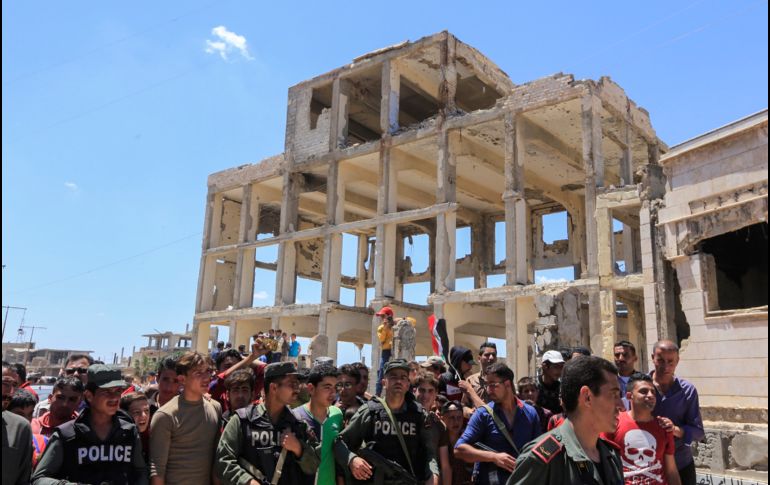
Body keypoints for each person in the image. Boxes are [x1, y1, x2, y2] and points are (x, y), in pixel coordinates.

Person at [507, 355, 624, 485]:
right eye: (614, 395)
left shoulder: (611, 456)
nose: (621, 405)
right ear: (587, 397)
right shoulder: (546, 458)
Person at [31, 364, 148, 485]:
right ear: (89, 395)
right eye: (106, 391)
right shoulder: (67, 434)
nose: (114, 397)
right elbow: (39, 479)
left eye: (118, 391)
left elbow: (140, 472)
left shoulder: (129, 432)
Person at [335, 359, 439, 484]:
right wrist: (352, 459)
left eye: (403, 377)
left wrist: (433, 476)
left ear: (407, 384)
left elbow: (429, 454)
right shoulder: (370, 411)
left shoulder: (418, 414)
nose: (398, 381)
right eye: (393, 377)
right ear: (384, 382)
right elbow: (339, 443)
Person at [216, 362, 320, 484]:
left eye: (297, 383)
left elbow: (314, 466)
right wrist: (248, 481)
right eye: (291, 384)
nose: (296, 389)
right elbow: (223, 461)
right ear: (274, 388)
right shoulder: (242, 420)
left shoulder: (299, 424)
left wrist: (299, 449)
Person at [455, 363, 541, 485]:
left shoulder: (530, 413)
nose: (488, 390)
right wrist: (493, 457)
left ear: (507, 384)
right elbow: (459, 450)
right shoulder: (483, 414)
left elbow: (538, 450)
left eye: (493, 385)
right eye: (486, 385)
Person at [149, 351, 222, 484]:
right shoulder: (165, 415)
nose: (207, 378)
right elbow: (157, 470)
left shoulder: (215, 408)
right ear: (182, 379)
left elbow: (216, 462)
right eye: (198, 373)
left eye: (208, 371)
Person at [602, 373, 681, 485]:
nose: (650, 395)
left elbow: (672, 471)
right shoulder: (613, 423)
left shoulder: (663, 426)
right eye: (643, 391)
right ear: (629, 396)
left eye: (653, 392)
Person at [650, 340, 704, 485]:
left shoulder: (688, 391)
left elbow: (698, 432)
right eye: (660, 360)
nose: (665, 366)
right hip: (648, 466)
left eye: (670, 361)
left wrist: (674, 430)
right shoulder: (641, 388)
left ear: (678, 361)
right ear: (652, 358)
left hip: (681, 463)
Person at [293, 364, 343, 485]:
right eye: (327, 387)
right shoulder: (295, 417)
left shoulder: (337, 415)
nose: (333, 393)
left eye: (335, 388)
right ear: (311, 388)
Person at [414, 372, 451, 484]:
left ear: (436, 394)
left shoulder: (439, 426)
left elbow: (445, 466)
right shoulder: (404, 416)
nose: (425, 395)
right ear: (414, 391)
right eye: (422, 390)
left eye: (430, 391)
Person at [3, 361, 33, 485]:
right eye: (5, 384)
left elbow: (23, 478)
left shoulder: (21, 428)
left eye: (15, 385)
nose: (10, 392)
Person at [441, 400, 474, 485]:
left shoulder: (469, 439)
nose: (456, 422)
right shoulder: (438, 440)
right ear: (443, 419)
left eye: (459, 417)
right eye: (451, 417)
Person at [439, 346, 479, 413]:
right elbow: (441, 401)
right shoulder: (444, 379)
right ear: (458, 361)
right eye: (468, 363)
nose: (470, 367)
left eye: (471, 364)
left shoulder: (470, 379)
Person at [464, 341, 498, 409]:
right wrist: (469, 412)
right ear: (479, 358)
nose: (491, 358)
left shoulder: (503, 379)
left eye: (493, 355)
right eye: (487, 355)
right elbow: (464, 405)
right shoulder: (470, 380)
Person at [120, 392, 151, 463]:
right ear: (125, 414)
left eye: (146, 411)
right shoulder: (119, 439)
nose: (144, 415)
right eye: (136, 412)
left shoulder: (154, 435)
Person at [536, 350, 566, 414]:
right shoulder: (534, 386)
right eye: (556, 367)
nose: (559, 371)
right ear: (545, 366)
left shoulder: (562, 388)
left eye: (561, 367)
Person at [375, 306, 396, 395]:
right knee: (382, 370)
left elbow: (412, 321)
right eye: (382, 316)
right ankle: (377, 393)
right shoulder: (381, 328)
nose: (382, 318)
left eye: (383, 316)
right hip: (386, 351)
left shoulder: (396, 325)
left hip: (395, 351)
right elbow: (381, 339)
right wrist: (385, 327)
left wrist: (398, 321)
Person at [613, 341, 639, 410]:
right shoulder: (609, 381)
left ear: (635, 358)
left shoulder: (642, 381)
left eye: (625, 355)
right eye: (617, 355)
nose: (620, 358)